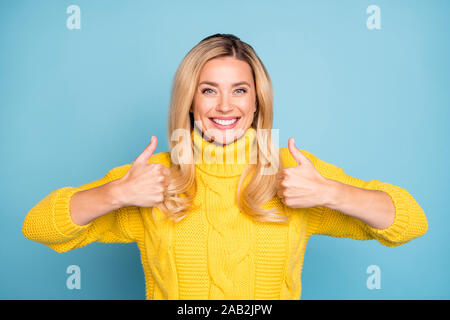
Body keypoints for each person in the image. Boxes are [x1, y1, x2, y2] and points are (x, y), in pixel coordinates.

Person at [22, 33, 428, 300]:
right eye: (208, 90)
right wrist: (115, 194)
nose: (224, 106)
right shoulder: (152, 178)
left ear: (257, 103)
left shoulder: (293, 172)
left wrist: (332, 193)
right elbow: (37, 226)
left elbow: (411, 222)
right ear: (190, 101)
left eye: (239, 90)